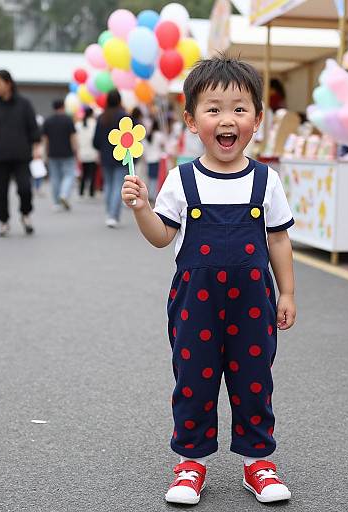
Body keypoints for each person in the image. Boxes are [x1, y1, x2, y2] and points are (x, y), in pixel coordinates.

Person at [122, 56, 296, 505]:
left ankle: (258, 463)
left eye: (239, 109)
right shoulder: (180, 180)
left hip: (254, 303)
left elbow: (278, 240)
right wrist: (143, 208)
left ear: (257, 119)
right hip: (194, 303)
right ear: (192, 120)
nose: (227, 119)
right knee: (194, 381)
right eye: (213, 108)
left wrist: (289, 292)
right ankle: (190, 464)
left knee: (254, 380)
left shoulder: (266, 180)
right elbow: (162, 238)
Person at [0, 69, 40, 236]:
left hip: (21, 156)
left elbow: (33, 129)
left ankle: (25, 214)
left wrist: (36, 149)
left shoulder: (24, 104)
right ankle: (4, 221)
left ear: (8, 84)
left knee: (25, 188)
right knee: (0, 191)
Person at [93, 89, 127, 228]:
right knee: (118, 186)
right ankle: (113, 215)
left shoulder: (102, 117)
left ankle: (109, 213)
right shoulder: (124, 117)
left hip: (105, 157)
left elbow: (95, 141)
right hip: (122, 157)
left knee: (108, 185)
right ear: (119, 100)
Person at [43, 99, 77, 211]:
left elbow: (45, 139)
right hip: (67, 152)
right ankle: (64, 194)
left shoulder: (48, 121)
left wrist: (46, 152)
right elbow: (73, 137)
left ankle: (56, 202)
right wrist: (75, 150)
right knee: (69, 175)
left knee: (55, 177)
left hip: (53, 153)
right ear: (63, 106)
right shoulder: (68, 120)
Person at [75, 106, 98, 198]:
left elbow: (77, 140)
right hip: (93, 152)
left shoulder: (78, 124)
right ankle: (91, 192)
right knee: (92, 173)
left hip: (82, 152)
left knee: (84, 173)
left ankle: (81, 191)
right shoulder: (94, 124)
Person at [142, 119, 166, 201]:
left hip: (149, 159)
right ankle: (153, 195)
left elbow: (144, 149)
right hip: (156, 159)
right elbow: (163, 145)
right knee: (155, 178)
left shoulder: (148, 136)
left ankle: (151, 194)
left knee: (150, 177)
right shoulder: (159, 135)